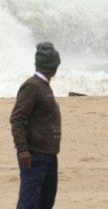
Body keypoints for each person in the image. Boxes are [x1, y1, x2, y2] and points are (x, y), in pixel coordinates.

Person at [10, 42, 62, 209]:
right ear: (53, 67)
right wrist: (22, 149)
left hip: (48, 154)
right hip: (34, 155)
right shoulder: (32, 87)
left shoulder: (43, 86)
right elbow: (17, 118)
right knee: (29, 202)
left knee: (45, 201)